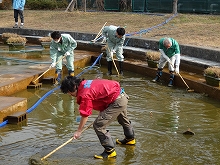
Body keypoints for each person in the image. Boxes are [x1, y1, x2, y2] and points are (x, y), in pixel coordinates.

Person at [60, 76, 135, 159]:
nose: (70, 95)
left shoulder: (84, 94)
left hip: (116, 101)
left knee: (98, 125)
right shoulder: (85, 83)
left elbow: (85, 115)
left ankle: (109, 151)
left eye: (70, 93)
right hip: (121, 95)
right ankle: (130, 139)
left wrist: (79, 131)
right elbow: (100, 94)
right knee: (122, 119)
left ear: (73, 88)